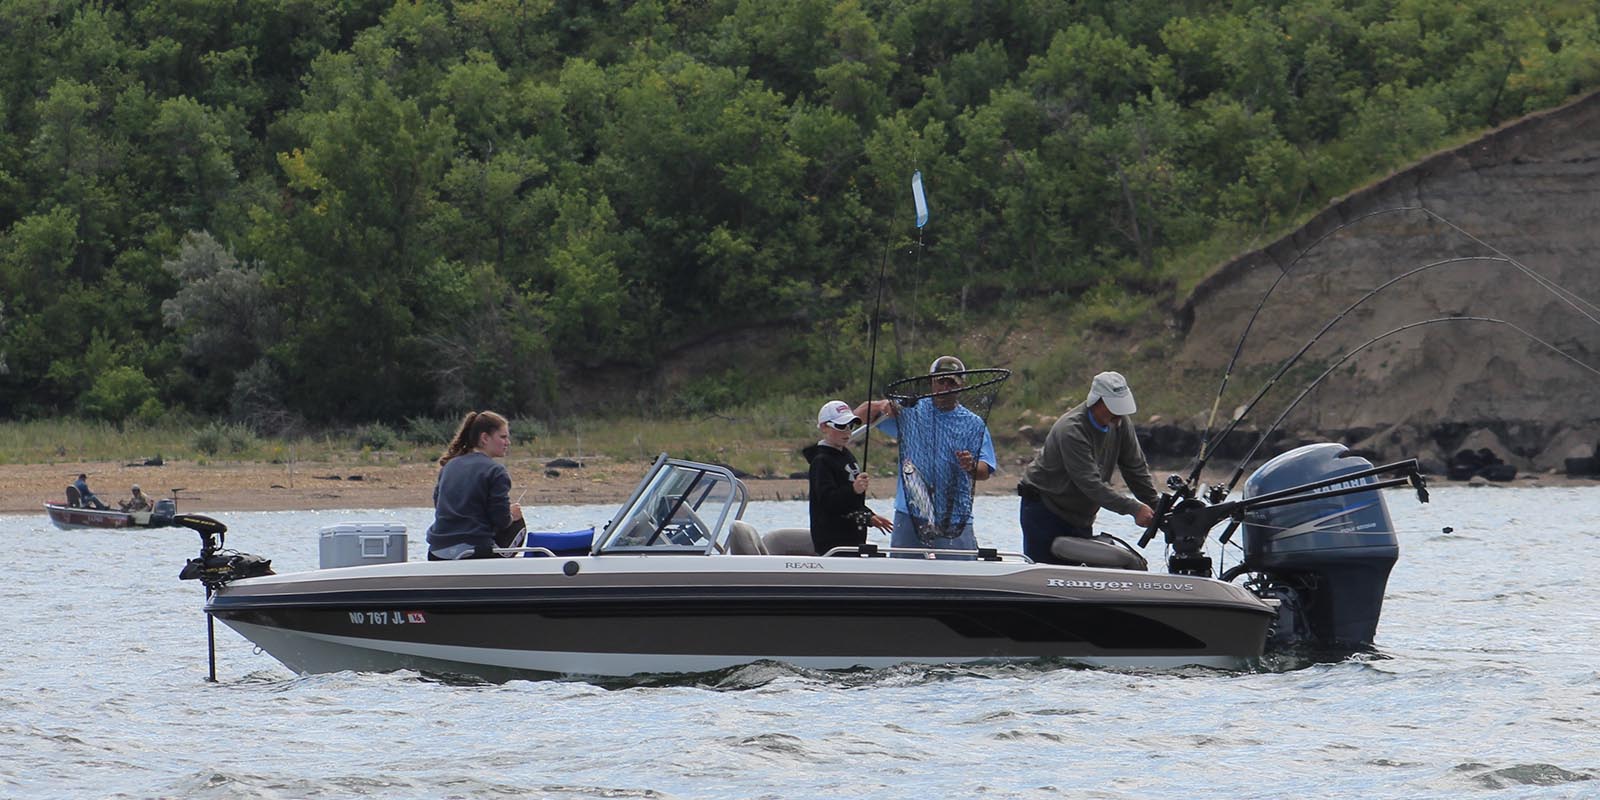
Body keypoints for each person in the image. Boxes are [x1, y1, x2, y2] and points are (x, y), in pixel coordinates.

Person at [856, 355, 996, 553]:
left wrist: (971, 466)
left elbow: (985, 470)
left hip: (954, 516)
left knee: (959, 576)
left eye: (951, 382)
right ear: (932, 382)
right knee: (904, 576)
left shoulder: (974, 423)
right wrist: (882, 406)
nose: (945, 387)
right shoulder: (910, 409)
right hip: (909, 513)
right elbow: (858, 416)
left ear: (961, 385)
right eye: (941, 381)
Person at [1017, 371, 1160, 564]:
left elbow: (1134, 467)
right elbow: (1090, 483)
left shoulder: (1120, 422)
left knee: (1080, 574)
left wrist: (1155, 505)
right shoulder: (1072, 429)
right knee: (1046, 574)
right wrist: (1133, 508)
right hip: (1045, 510)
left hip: (1080, 516)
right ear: (1097, 402)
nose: (1118, 415)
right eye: (1113, 409)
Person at [425, 410, 525, 561]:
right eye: (503, 437)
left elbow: (439, 505)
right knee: (518, 523)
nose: (507, 442)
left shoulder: (449, 466)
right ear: (485, 438)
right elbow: (502, 521)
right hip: (473, 552)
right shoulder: (496, 471)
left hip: (437, 551)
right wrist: (512, 515)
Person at [804, 400, 892, 555]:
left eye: (851, 426)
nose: (847, 431)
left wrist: (869, 516)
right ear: (824, 427)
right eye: (840, 426)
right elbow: (828, 501)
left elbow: (852, 503)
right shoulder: (821, 461)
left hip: (853, 541)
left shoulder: (846, 455)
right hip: (833, 544)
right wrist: (853, 489)